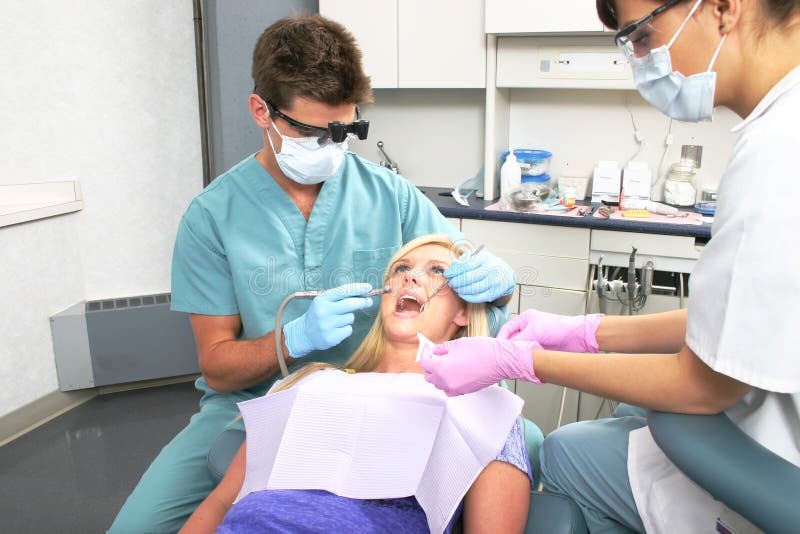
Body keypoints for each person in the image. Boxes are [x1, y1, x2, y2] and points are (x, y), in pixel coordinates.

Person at [109, 15, 516, 533]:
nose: (330, 146)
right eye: (310, 131)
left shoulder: (390, 197)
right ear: (262, 111)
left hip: (377, 386)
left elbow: (464, 289)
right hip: (255, 401)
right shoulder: (212, 217)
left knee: (518, 439)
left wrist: (497, 285)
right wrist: (293, 339)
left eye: (344, 130)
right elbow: (217, 368)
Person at [420, 0, 800, 532]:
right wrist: (587, 330)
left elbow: (703, 384)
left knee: (565, 455)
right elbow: (733, 323)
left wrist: (521, 361)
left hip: (768, 462)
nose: (641, 61)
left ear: (723, 8)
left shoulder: (778, 157)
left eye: (642, 36)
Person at [180, 235, 533, 534]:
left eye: (437, 271)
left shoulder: (483, 408)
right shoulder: (310, 382)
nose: (411, 278)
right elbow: (224, 499)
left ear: (462, 312)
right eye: (401, 269)